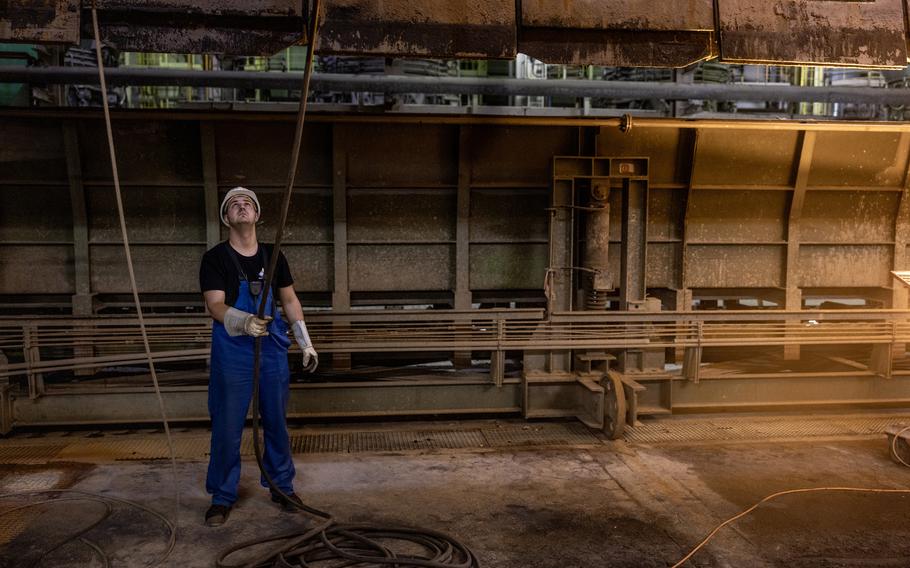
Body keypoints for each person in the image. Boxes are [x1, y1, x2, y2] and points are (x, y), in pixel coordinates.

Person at [198, 186, 318, 527]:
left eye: (247, 202)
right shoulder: (215, 259)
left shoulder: (274, 254)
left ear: (257, 215)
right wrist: (243, 321)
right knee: (227, 426)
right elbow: (215, 305)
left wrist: (305, 341)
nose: (241, 205)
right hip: (233, 350)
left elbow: (290, 300)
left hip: (271, 349)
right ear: (226, 218)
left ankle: (282, 487)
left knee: (276, 423)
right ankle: (222, 496)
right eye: (233, 203)